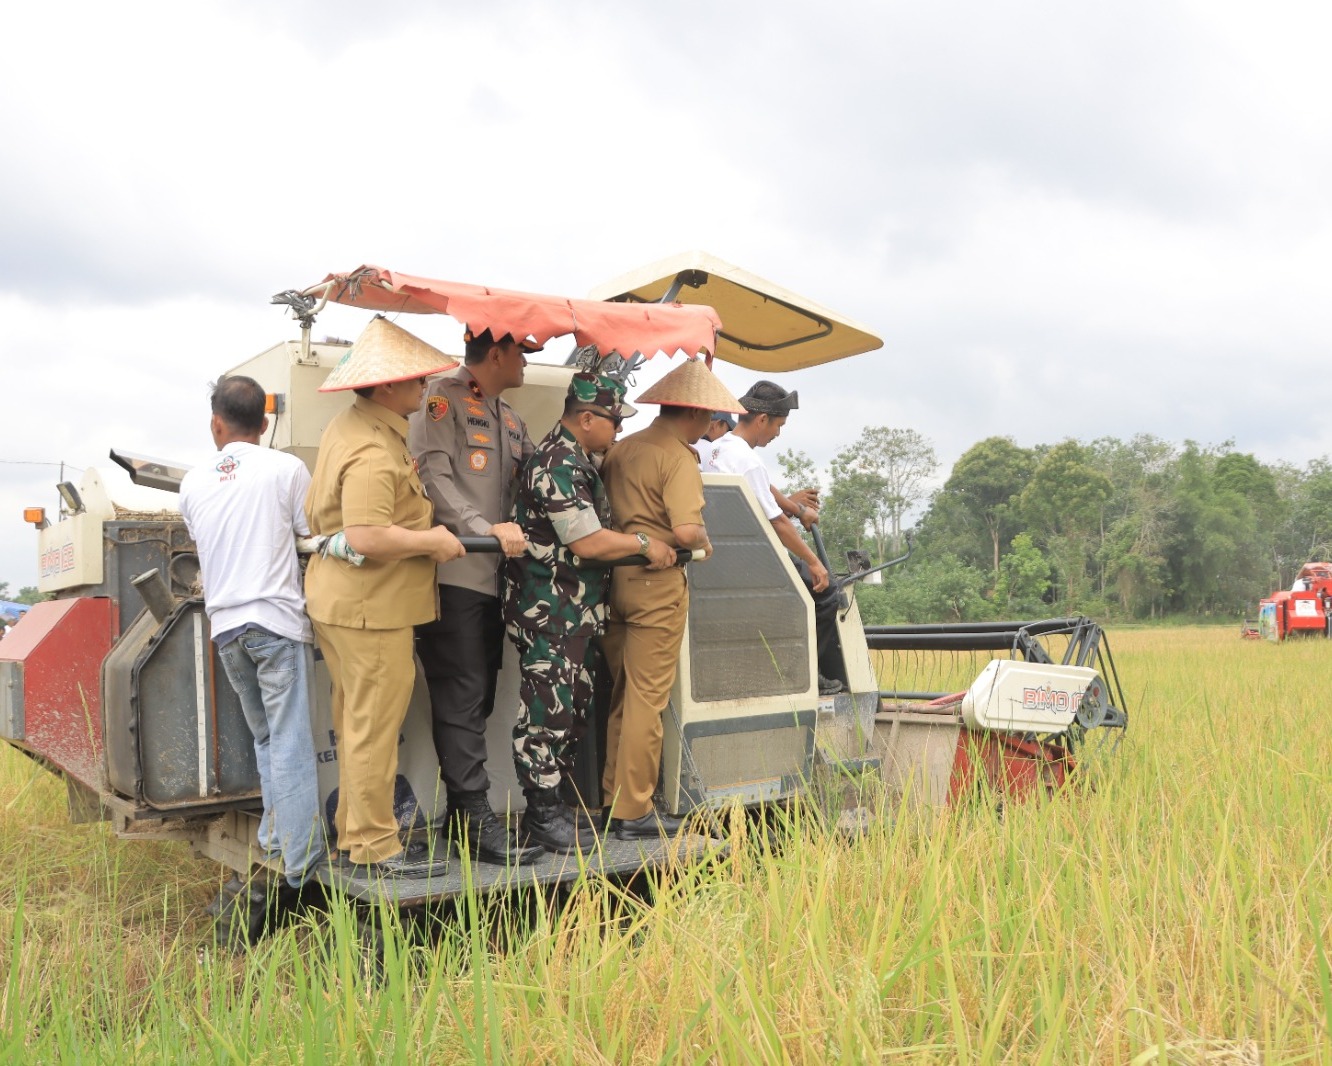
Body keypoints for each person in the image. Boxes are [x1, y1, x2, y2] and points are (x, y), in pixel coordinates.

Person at [304, 315, 465, 875]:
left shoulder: (350, 427)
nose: (425, 390)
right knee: (374, 727)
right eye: (418, 381)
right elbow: (367, 536)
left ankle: (356, 834)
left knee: (357, 723)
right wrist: (434, 541)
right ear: (389, 386)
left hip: (348, 603)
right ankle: (375, 845)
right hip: (372, 608)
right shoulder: (373, 450)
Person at [504, 372, 677, 852]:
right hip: (550, 611)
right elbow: (587, 540)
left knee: (571, 708)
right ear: (587, 418)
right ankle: (540, 815)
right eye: (613, 422)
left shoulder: (580, 459)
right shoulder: (557, 462)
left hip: (571, 611)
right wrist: (645, 543)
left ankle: (554, 807)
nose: (618, 431)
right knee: (545, 713)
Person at [179, 375, 326, 898]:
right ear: (264, 424)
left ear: (216, 423)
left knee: (265, 736)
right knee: (289, 740)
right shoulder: (287, 468)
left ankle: (273, 836)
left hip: (226, 629)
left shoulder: (192, 484)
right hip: (276, 621)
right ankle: (302, 864)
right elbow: (308, 535)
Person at [409, 327, 543, 866]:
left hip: (497, 581)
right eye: (521, 354)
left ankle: (465, 815)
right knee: (463, 698)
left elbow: (533, 474)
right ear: (496, 353)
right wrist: (482, 529)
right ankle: (473, 818)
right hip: (459, 574)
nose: (526, 364)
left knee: (480, 697)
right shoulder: (441, 399)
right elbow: (433, 476)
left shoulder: (509, 416)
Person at [599, 358, 743, 839]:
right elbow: (685, 529)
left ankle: (612, 799)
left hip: (613, 580)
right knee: (647, 701)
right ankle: (634, 810)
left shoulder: (622, 449)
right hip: (656, 585)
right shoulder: (678, 456)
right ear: (697, 414)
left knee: (623, 695)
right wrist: (703, 538)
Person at [698, 380, 845, 695]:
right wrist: (814, 562)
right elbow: (778, 523)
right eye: (778, 425)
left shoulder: (719, 447)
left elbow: (766, 489)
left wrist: (797, 508)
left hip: (725, 553)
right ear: (762, 420)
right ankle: (803, 674)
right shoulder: (748, 461)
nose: (778, 433)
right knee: (827, 592)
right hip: (751, 559)